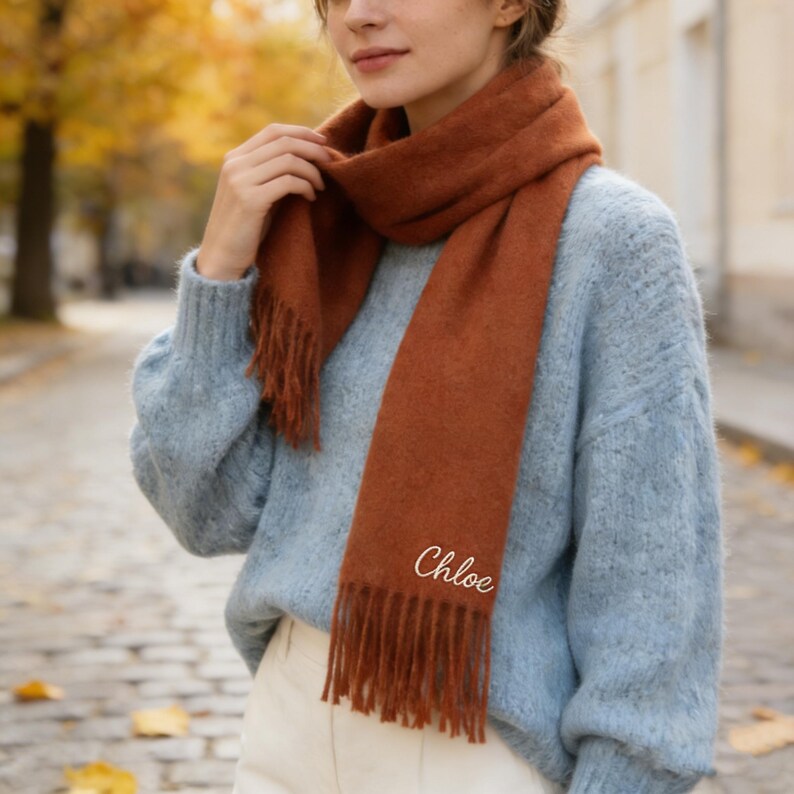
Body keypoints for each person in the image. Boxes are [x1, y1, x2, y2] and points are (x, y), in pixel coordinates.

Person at [128, 0, 725, 791]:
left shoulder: (613, 240)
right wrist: (221, 269)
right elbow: (205, 512)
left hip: (473, 753)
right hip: (283, 731)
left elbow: (655, 597)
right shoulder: (314, 218)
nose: (359, 17)